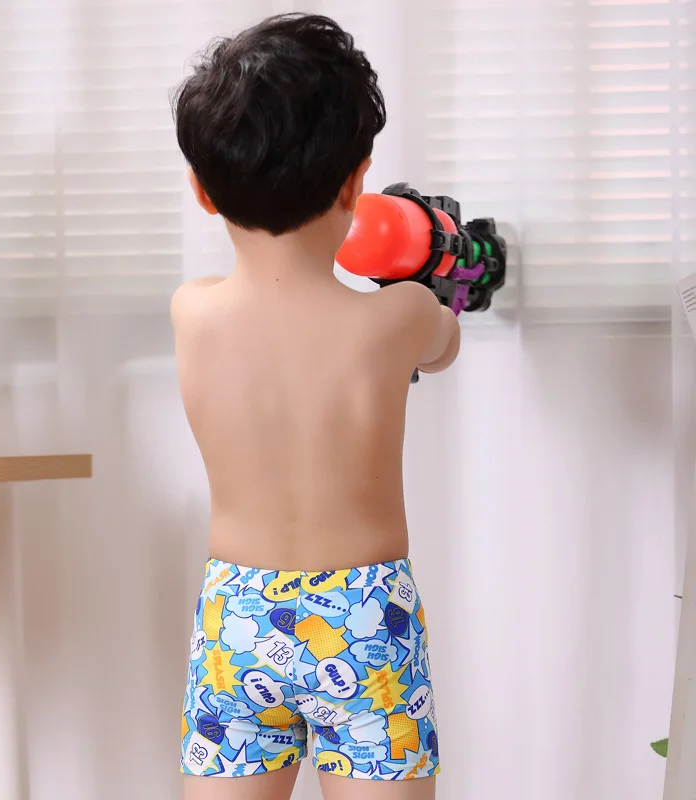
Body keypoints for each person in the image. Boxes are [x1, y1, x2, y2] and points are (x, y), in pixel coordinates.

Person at [171, 13, 459, 800]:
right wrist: (428, 265)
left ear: (201, 189)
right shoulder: (397, 318)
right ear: (355, 181)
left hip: (236, 618)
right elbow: (443, 341)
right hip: (365, 620)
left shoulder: (191, 312)